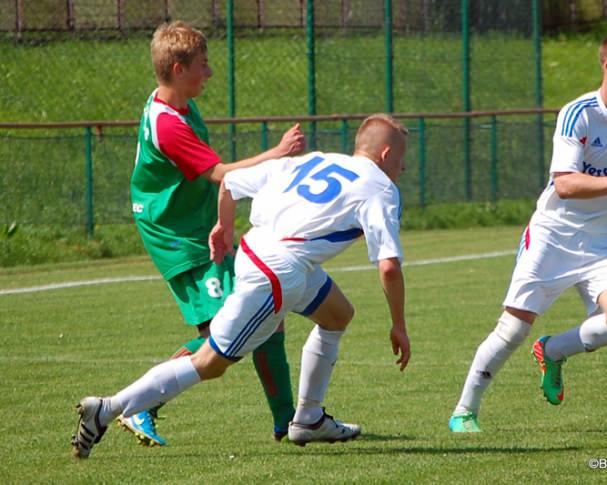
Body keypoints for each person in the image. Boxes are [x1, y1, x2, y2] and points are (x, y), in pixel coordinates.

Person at [71, 113, 411, 458]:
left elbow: (230, 183)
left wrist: (223, 228)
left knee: (338, 314)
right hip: (279, 271)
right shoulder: (381, 188)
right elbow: (388, 267)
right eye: (402, 160)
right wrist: (398, 325)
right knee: (210, 363)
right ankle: (108, 408)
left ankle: (308, 417)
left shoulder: (315, 160)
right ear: (385, 155)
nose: (403, 169)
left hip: (261, 250)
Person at [449, 29, 607, 432]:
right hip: (552, 234)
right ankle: (465, 411)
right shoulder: (578, 113)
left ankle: (553, 351)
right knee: (514, 327)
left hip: (600, 243)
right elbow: (566, 183)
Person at [122, 21, 305, 446]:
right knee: (226, 331)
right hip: (176, 234)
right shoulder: (169, 124)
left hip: (197, 225)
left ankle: (289, 422)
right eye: (203, 66)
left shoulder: (179, 101)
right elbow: (219, 174)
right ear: (178, 67)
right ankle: (140, 404)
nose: (209, 74)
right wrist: (277, 153)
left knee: (264, 316)